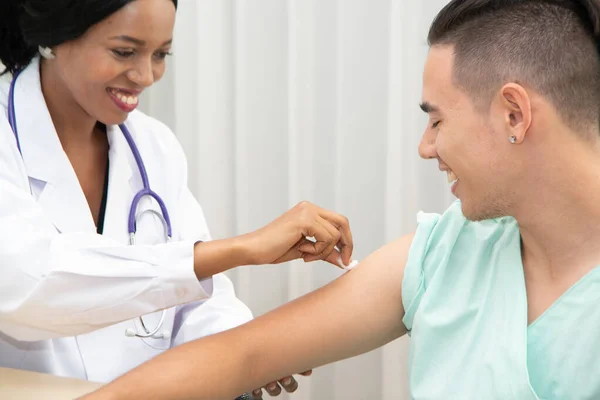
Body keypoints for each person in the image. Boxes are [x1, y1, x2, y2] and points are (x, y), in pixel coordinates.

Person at [79, 0, 600, 399]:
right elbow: (244, 355)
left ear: (514, 114)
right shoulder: (447, 255)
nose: (425, 147)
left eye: (437, 120)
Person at [0, 0, 355, 397]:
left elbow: (197, 303)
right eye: (124, 51)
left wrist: (244, 349)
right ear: (56, 35)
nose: (146, 75)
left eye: (161, 54)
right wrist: (242, 248)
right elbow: (29, 286)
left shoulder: (155, 146)